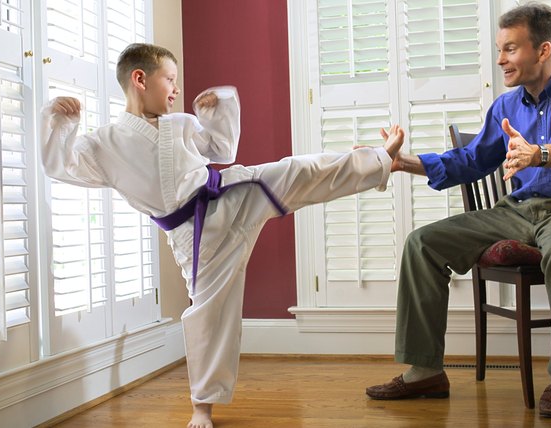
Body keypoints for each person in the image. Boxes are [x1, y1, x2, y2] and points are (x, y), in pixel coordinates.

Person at [40, 43, 404, 428]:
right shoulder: (104, 144)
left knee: (298, 170)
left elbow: (222, 148)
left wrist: (214, 110)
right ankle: (202, 406)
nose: (176, 90)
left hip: (231, 194)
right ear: (140, 79)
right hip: (195, 236)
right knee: (209, 315)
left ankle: (382, 160)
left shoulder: (179, 123)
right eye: (170, 80)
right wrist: (59, 120)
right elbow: (61, 165)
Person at [366, 2, 551, 418]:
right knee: (423, 244)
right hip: (518, 210)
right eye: (500, 49)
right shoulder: (506, 107)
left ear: (543, 50)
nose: (500, 59)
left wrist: (541, 154)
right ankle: (425, 370)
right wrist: (401, 162)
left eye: (510, 48)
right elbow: (469, 160)